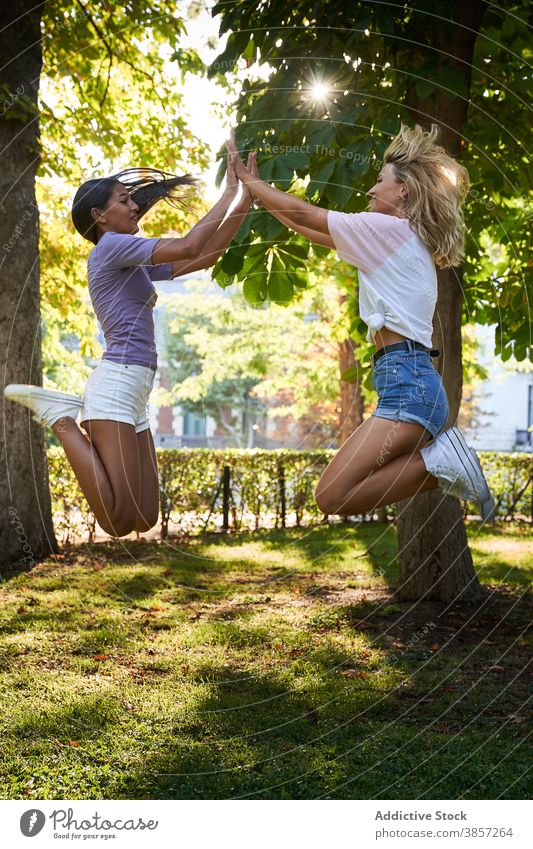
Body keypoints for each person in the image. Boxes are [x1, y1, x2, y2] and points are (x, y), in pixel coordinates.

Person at [227, 125, 496, 520]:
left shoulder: (387, 230)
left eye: (379, 181)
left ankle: (441, 461)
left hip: (409, 387)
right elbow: (308, 228)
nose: (370, 189)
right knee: (334, 496)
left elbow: (307, 214)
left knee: (332, 495)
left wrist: (251, 181)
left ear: (403, 191)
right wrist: (257, 193)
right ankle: (441, 466)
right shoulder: (399, 236)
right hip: (409, 383)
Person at [5, 145, 254, 537]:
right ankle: (61, 419)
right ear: (99, 217)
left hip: (135, 387)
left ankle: (67, 417)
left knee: (146, 517)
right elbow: (191, 244)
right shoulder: (111, 248)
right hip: (117, 382)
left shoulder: (128, 257)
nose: (135, 206)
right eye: (124, 201)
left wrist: (246, 198)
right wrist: (228, 192)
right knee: (119, 522)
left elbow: (205, 257)